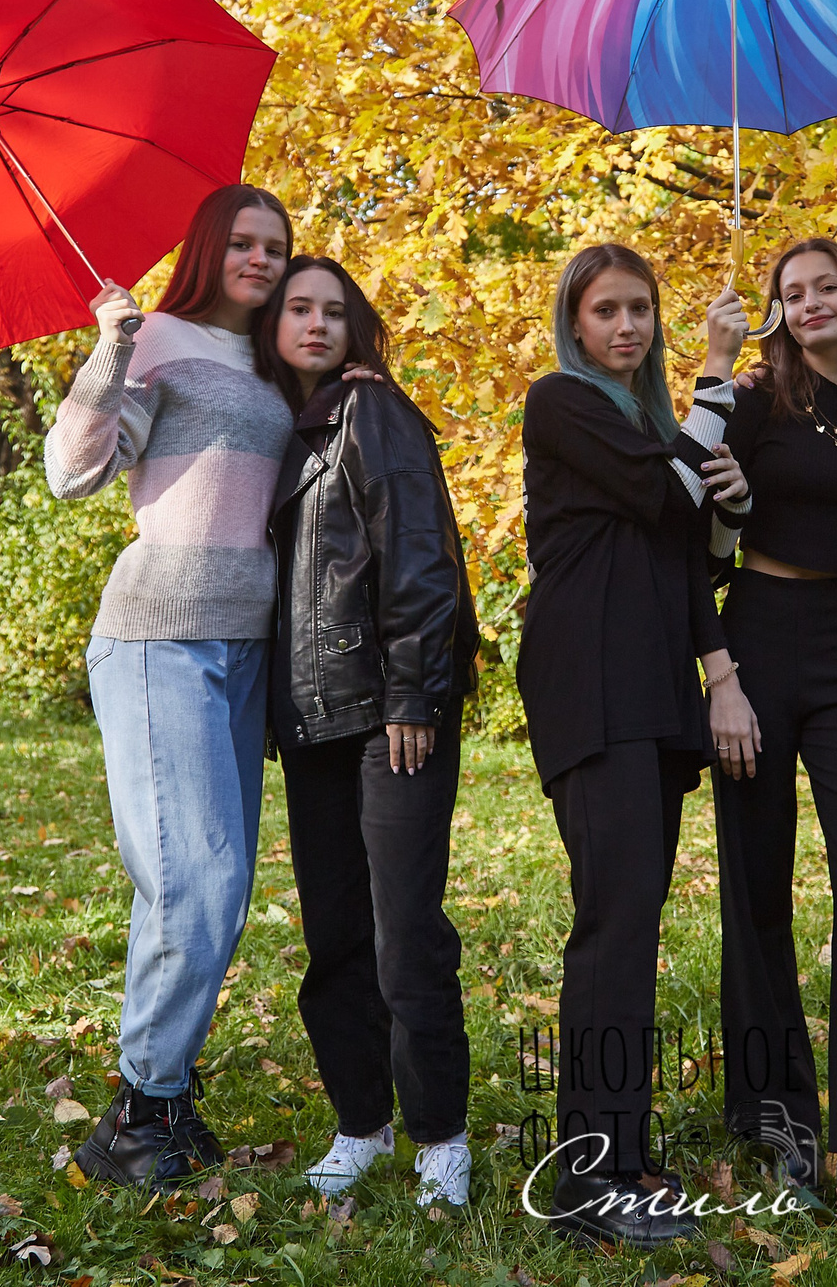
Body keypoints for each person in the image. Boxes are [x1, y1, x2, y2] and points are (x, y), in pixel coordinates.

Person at [46, 184, 298, 1187]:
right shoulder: (156, 339)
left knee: (210, 890)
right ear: (208, 248)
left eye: (275, 245)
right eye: (243, 242)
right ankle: (139, 1113)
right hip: (160, 634)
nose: (261, 258)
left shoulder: (275, 359)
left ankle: (163, 1090)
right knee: (198, 879)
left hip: (248, 645)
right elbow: (72, 473)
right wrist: (109, 349)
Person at [517, 243, 750, 1249]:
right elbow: (663, 499)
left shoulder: (653, 428)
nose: (625, 326)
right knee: (613, 922)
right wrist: (717, 374)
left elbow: (696, 554)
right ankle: (588, 1177)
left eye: (639, 309)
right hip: (590, 679)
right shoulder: (561, 404)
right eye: (605, 310)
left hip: (653, 687)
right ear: (574, 323)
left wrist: (730, 508)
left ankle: (621, 1151)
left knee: (635, 920)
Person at [683, 240, 837, 1212]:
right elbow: (689, 541)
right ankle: (775, 1115)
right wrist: (719, 678)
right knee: (757, 887)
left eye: (826, 286)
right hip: (751, 642)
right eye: (791, 292)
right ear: (775, 312)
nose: (809, 301)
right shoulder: (752, 399)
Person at [256, 256, 480, 1208]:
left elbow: (421, 554)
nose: (315, 323)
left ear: (355, 326)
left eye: (333, 310)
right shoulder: (284, 426)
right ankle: (361, 1123)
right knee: (335, 932)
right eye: (297, 309)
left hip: (390, 712)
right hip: (312, 716)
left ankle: (440, 1138)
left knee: (405, 933)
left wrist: (413, 695)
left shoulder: (372, 410)